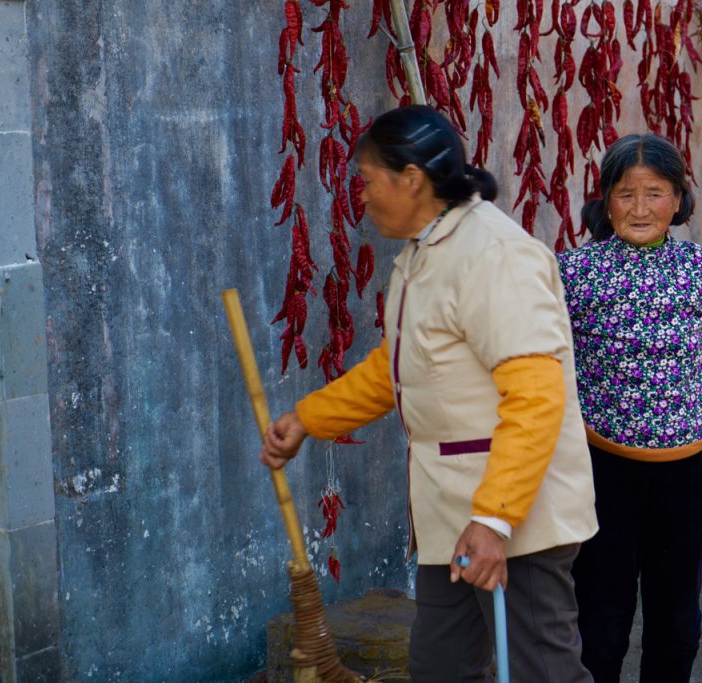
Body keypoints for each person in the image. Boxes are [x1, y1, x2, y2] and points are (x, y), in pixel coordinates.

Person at [260, 105, 597, 682]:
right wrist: (308, 418)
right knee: (441, 668)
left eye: (367, 181)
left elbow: (537, 396)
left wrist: (495, 520)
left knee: (543, 672)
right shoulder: (423, 255)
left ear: (411, 177)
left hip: (514, 522)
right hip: (452, 514)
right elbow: (395, 366)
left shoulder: (494, 255)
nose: (359, 197)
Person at [557, 133, 702, 682]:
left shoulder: (701, 268)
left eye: (655, 193)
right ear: (605, 200)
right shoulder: (573, 272)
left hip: (688, 468)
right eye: (625, 193)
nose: (639, 208)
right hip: (601, 466)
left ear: (678, 200)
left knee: (676, 620)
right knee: (600, 620)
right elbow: (540, 348)